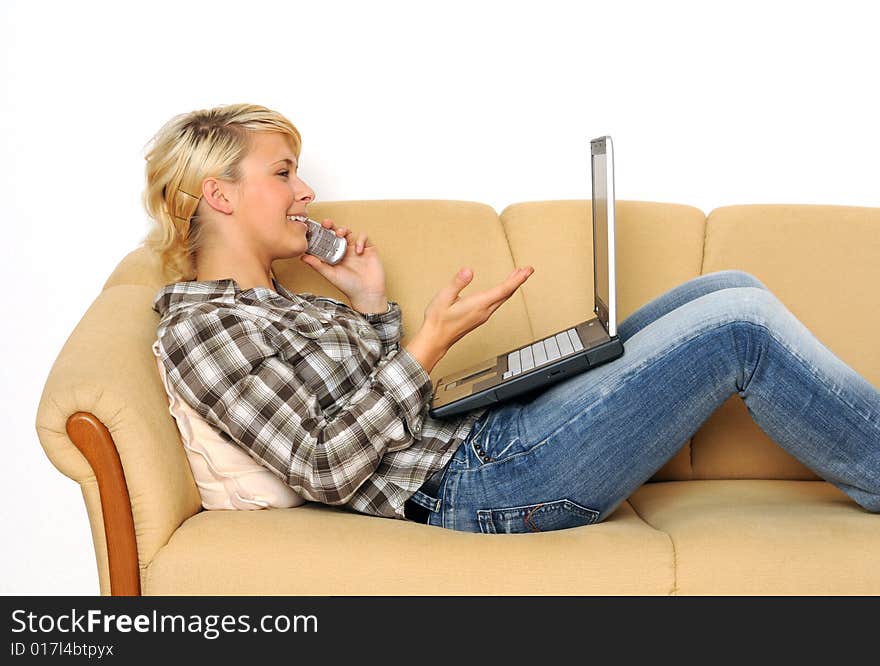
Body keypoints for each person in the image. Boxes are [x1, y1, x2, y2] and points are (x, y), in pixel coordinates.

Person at [146, 103, 880, 534]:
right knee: (740, 327)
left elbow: (364, 406)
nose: (304, 190)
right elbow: (323, 466)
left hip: (487, 437)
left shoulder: (281, 298)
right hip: (479, 485)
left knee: (728, 284)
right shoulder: (200, 328)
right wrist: (428, 341)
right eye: (282, 174)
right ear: (220, 195)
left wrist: (369, 302)